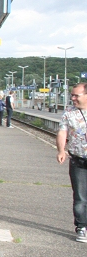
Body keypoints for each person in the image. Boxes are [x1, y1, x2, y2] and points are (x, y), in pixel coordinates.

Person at [56, 83, 87, 243]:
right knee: (81, 196)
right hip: (78, 159)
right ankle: (82, 227)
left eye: (76, 95)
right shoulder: (69, 113)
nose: (73, 98)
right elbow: (62, 131)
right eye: (72, 95)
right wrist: (61, 150)